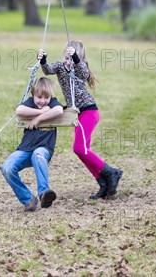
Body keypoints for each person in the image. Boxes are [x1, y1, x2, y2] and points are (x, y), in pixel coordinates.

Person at [38, 40, 123, 200]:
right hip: (77, 113)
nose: (68, 55)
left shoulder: (80, 67)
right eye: (68, 52)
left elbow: (84, 73)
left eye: (73, 52)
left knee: (79, 148)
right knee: (83, 151)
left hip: (88, 111)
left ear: (79, 55)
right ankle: (103, 183)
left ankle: (112, 172)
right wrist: (43, 59)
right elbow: (48, 70)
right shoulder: (59, 66)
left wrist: (76, 59)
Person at [1, 77, 63, 212]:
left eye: (46, 97)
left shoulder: (52, 103)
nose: (42, 101)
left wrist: (39, 119)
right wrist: (41, 112)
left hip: (43, 149)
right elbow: (19, 110)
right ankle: (28, 199)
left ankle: (44, 194)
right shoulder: (30, 103)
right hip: (25, 148)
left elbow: (59, 110)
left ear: (51, 96)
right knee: (7, 168)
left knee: (38, 153)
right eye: (39, 97)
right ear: (33, 95)